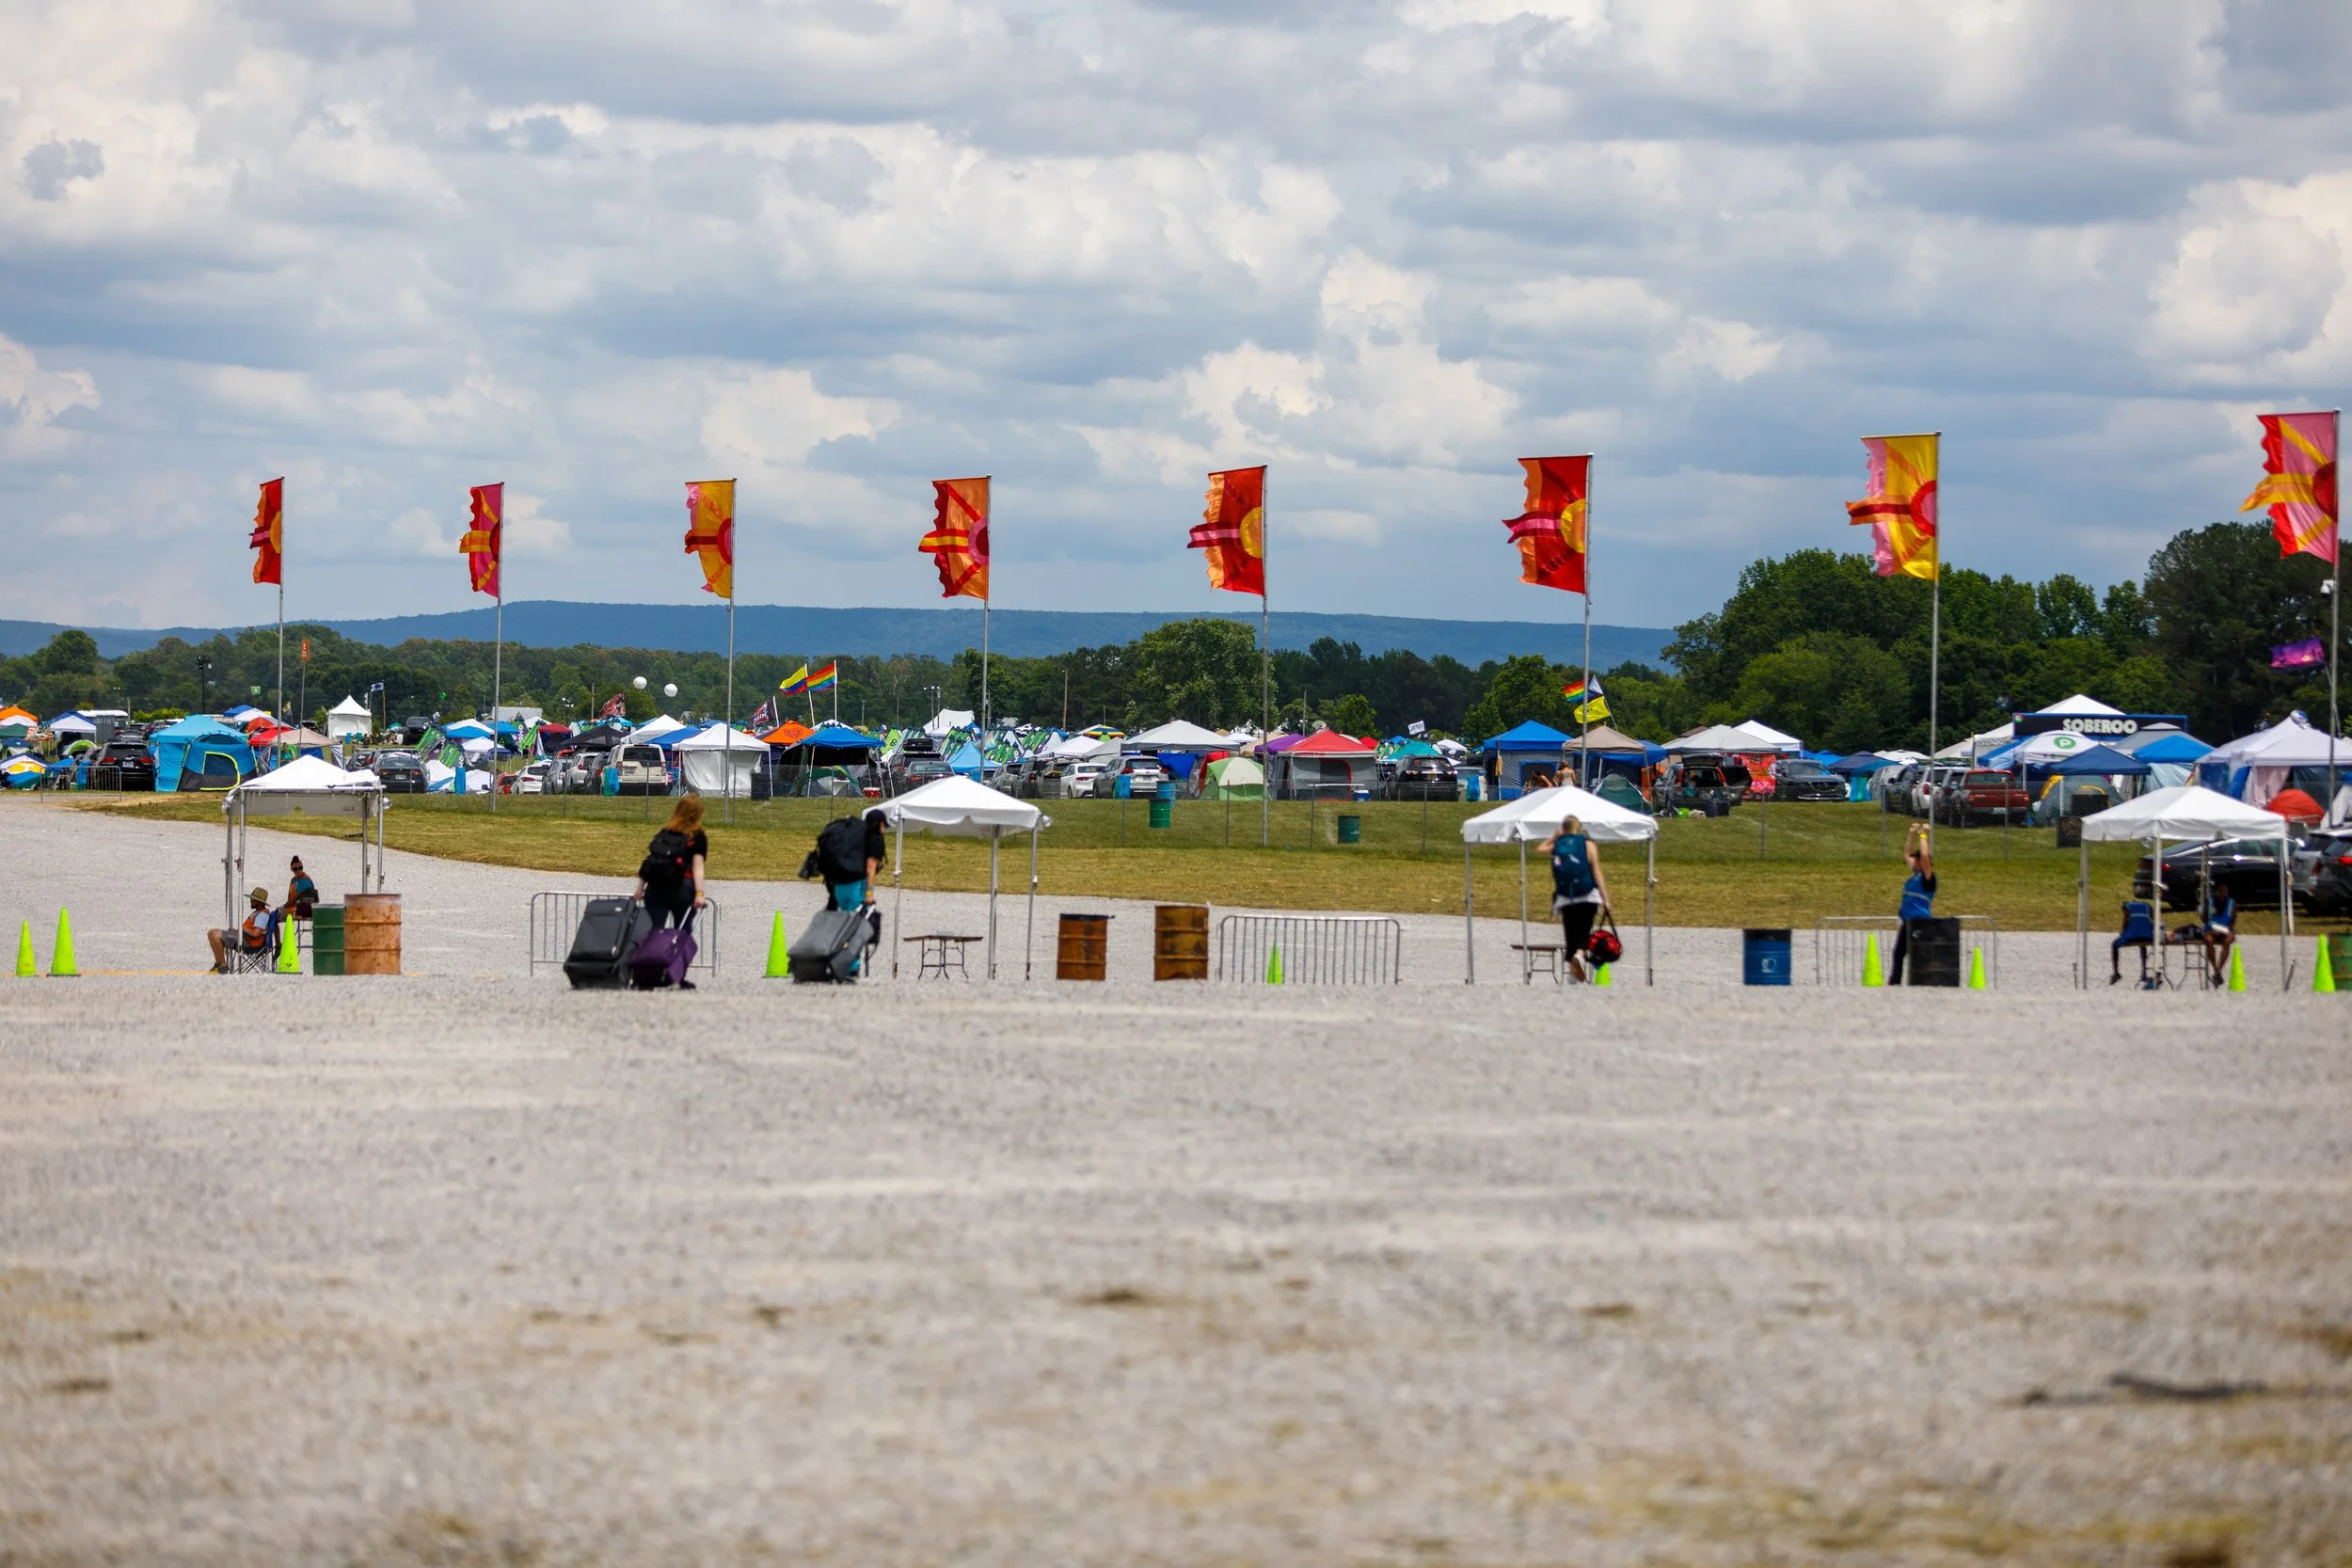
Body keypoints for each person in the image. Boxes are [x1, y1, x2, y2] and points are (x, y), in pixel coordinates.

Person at [1534, 815, 1611, 983]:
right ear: (1579, 827)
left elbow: (1539, 849)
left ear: (1564, 828)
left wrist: (1554, 837)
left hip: (1566, 896)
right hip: (1587, 895)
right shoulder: (1588, 844)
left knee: (1570, 932)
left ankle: (1572, 975)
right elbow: (1596, 873)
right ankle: (1580, 955)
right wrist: (1605, 898)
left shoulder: (1558, 845)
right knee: (1584, 930)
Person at [635, 795, 708, 932]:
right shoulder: (697, 836)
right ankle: (677, 953)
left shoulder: (665, 833)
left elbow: (651, 862)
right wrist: (699, 893)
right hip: (682, 886)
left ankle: (655, 953)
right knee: (682, 932)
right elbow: (697, 866)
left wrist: (640, 889)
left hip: (656, 886)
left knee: (653, 932)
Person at [1889, 823, 1935, 985]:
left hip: (1920, 923)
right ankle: (1894, 984)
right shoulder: (1915, 875)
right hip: (1907, 923)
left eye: (1918, 860)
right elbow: (1907, 854)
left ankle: (1925, 985)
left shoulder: (1928, 879)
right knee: (1898, 954)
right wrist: (1911, 834)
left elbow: (1924, 855)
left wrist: (1923, 835)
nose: (1914, 861)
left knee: (1919, 956)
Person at [208, 886, 274, 973]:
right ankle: (219, 963)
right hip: (245, 939)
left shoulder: (262, 915)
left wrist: (242, 930)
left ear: (260, 902)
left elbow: (255, 934)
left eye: (253, 900)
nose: (251, 901)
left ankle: (222, 965)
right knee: (211, 933)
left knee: (214, 934)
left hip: (250, 944)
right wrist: (238, 931)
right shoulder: (257, 913)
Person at [2110, 897, 2156, 986]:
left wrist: (2123, 932)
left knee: (2114, 945)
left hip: (2133, 935)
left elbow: (2125, 920)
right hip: (2147, 935)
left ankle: (2116, 973)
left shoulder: (2127, 907)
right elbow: (2152, 921)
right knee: (2143, 946)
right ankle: (2144, 972)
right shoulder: (2147, 906)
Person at [2201, 884, 2236, 987]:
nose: (2222, 893)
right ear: (2217, 892)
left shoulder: (2231, 903)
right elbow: (2204, 918)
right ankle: (2216, 969)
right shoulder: (2209, 901)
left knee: (2228, 940)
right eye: (2220, 891)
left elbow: (2233, 920)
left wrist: (2226, 929)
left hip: (2225, 929)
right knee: (2208, 940)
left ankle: (2218, 970)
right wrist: (2212, 929)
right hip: (2212, 928)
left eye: (2224, 891)